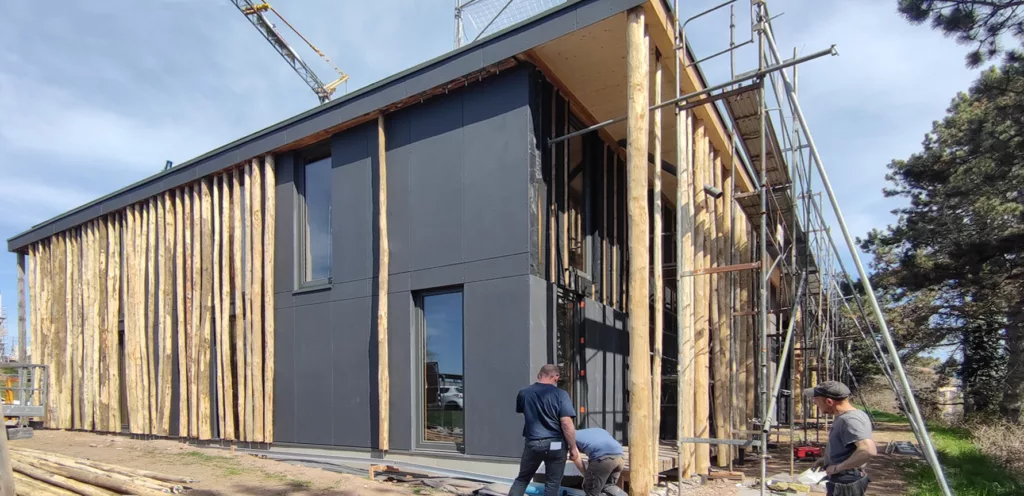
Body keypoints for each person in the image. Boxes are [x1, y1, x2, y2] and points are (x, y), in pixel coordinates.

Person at [508, 365, 578, 496]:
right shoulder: (561, 394)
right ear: (556, 377)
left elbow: (523, 414)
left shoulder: (524, 392)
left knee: (522, 480)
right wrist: (573, 447)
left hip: (533, 443)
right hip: (556, 444)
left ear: (539, 375)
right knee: (553, 483)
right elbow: (566, 423)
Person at [805, 380, 877, 496]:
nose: (814, 403)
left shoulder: (849, 420)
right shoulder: (850, 415)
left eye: (816, 399)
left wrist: (837, 467)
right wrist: (827, 459)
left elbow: (868, 450)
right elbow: (848, 447)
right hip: (845, 478)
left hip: (846, 481)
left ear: (829, 401)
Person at [572, 428, 625, 496]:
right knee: (607, 486)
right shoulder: (596, 430)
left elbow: (575, 456)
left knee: (590, 490)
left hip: (603, 459)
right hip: (620, 457)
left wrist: (586, 474)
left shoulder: (569, 436)